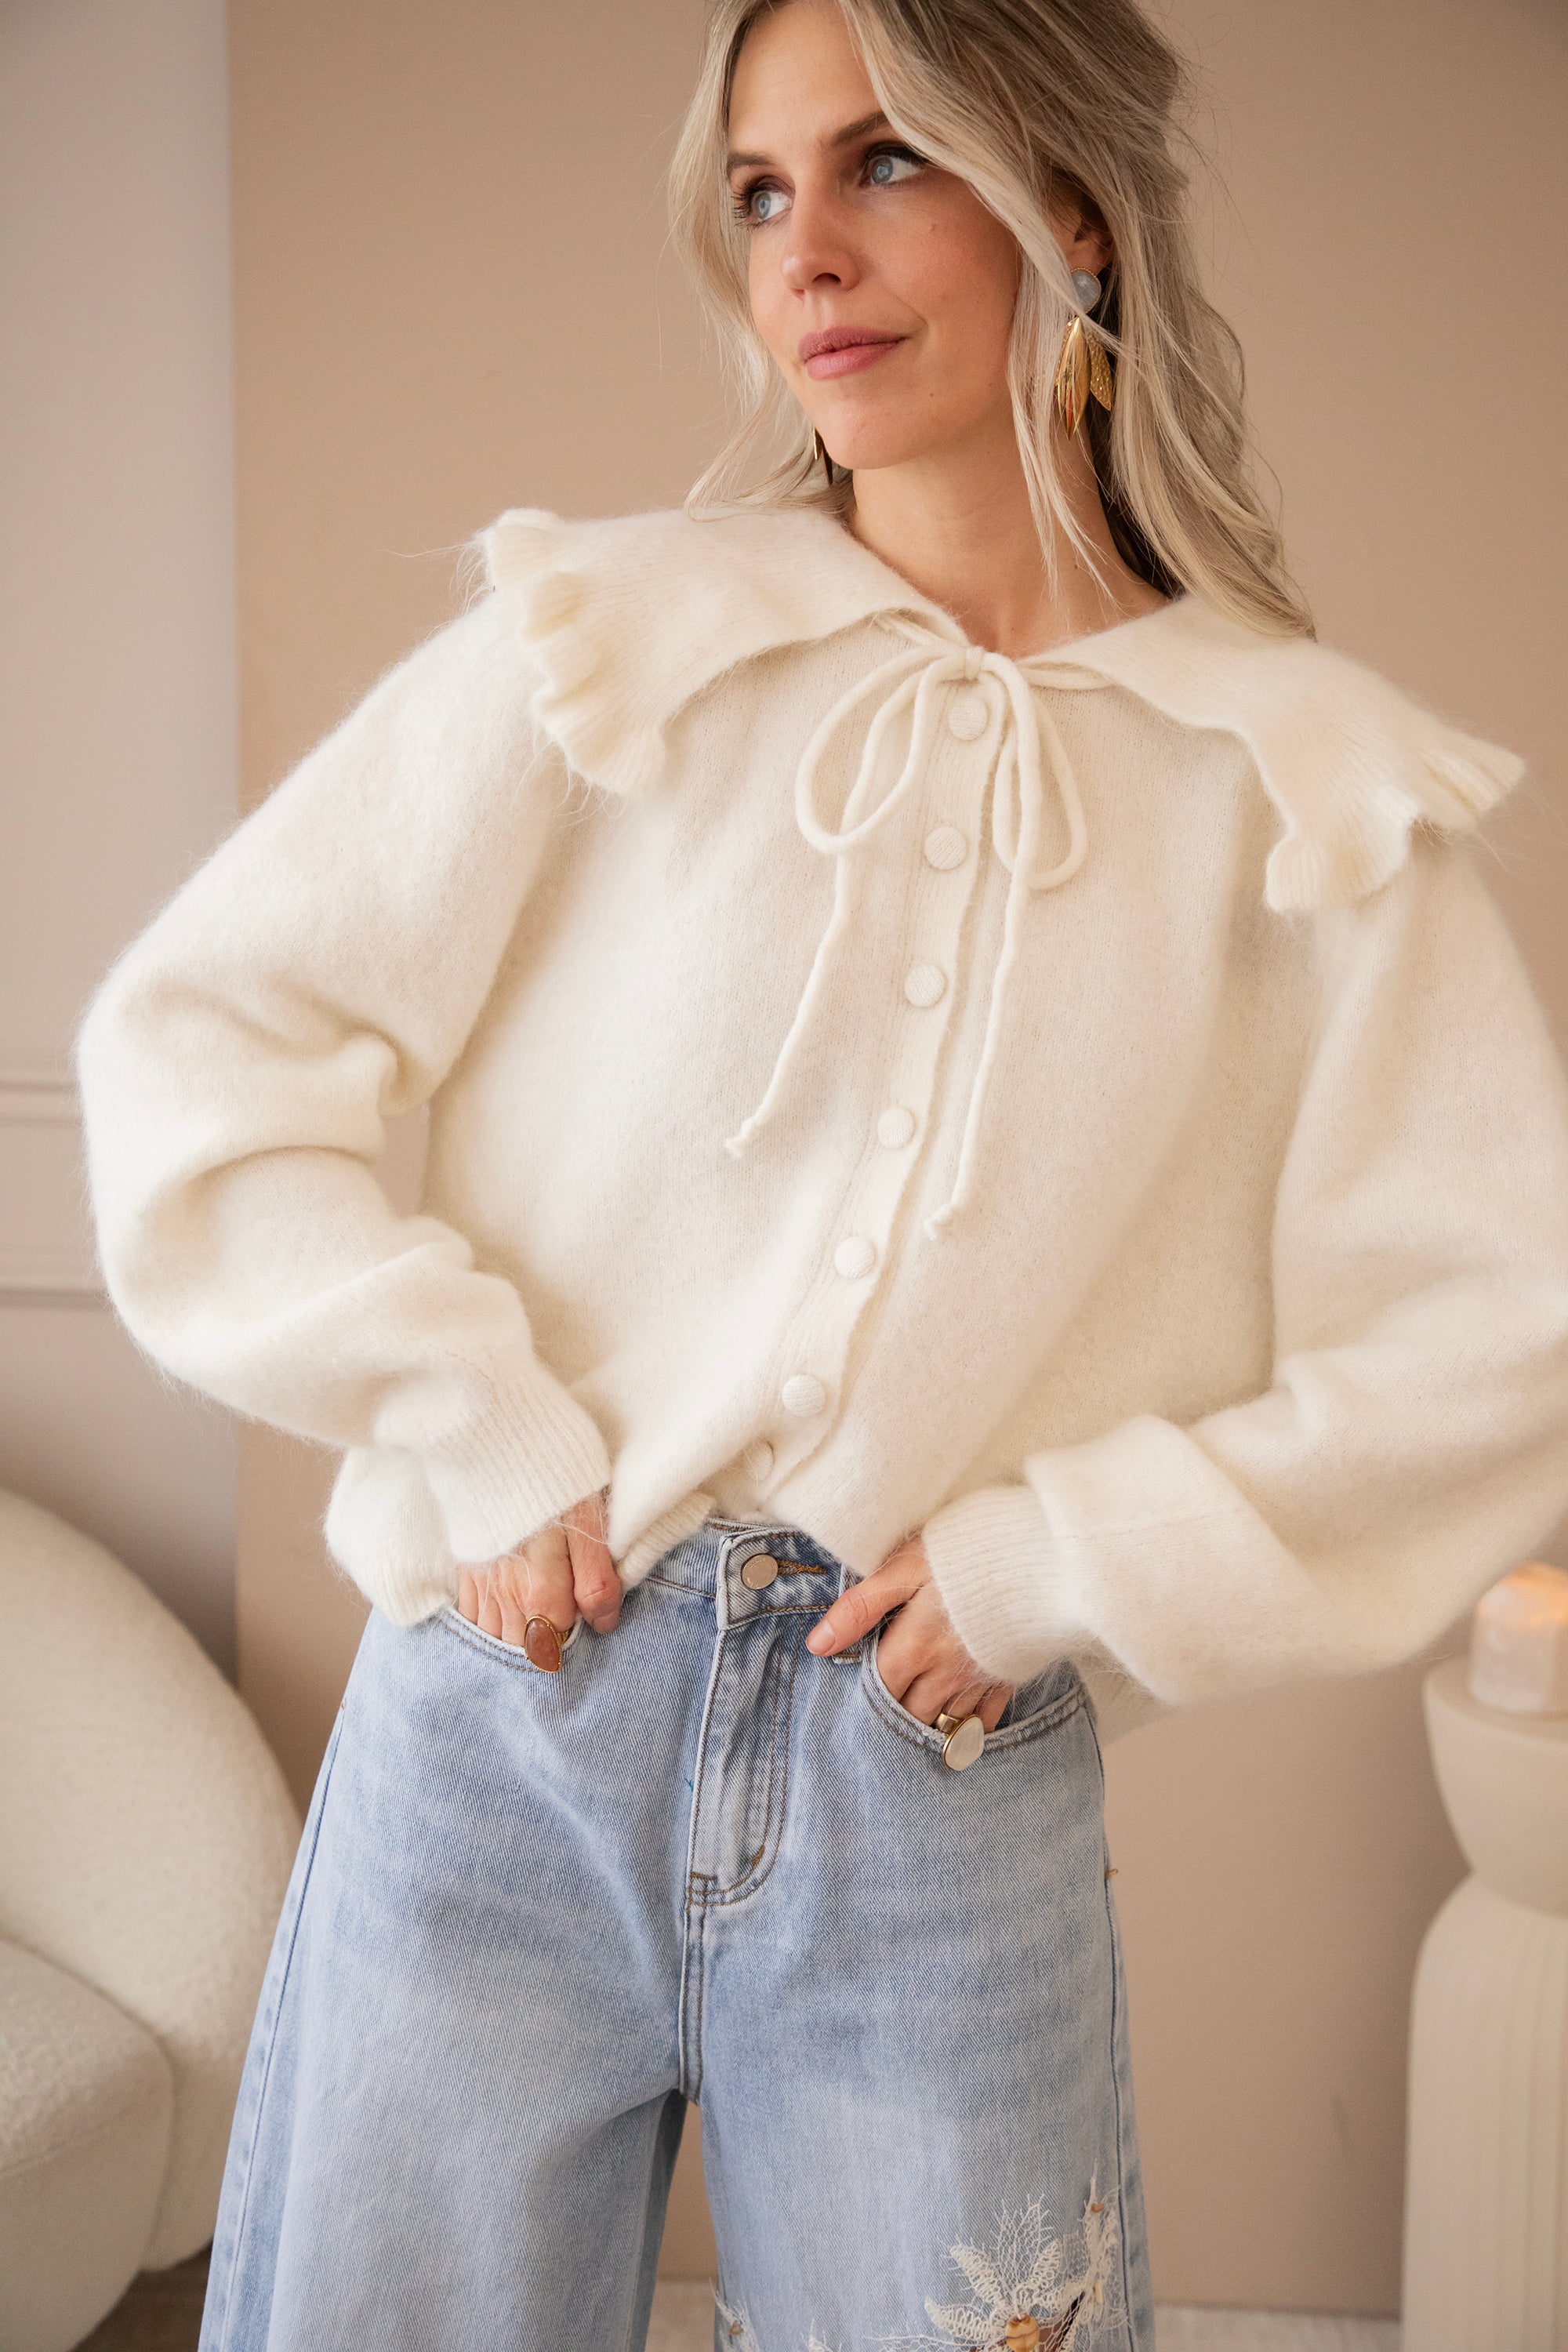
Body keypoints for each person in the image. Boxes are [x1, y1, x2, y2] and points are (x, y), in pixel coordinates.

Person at [74, 0, 1568, 2346]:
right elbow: (200, 1046)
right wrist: (476, 1420)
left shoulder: (1298, 787)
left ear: (1069, 209)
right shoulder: (617, 647)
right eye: (761, 192)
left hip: (927, 1776)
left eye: (885, 163)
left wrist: (1068, 1557)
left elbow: (1504, 1326)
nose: (806, 255)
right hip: (511, 1720)